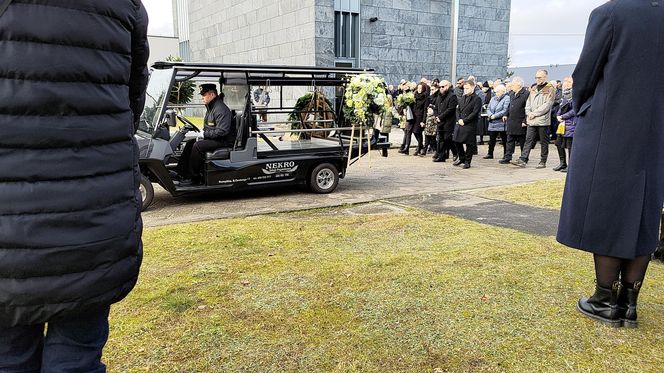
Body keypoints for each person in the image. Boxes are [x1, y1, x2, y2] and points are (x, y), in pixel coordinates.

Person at [0, 1, 149, 371]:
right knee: (77, 359)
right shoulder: (125, 5)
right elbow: (133, 97)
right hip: (93, 227)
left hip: (9, 235)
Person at [557, 0, 664, 328]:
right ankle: (629, 303)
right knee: (645, 209)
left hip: (611, 125)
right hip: (656, 130)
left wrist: (585, 108)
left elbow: (585, 74)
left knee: (606, 208)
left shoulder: (610, 13)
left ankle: (605, 300)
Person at [178, 84, 235, 185]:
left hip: (223, 141)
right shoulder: (211, 108)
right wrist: (201, 132)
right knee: (190, 143)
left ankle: (193, 178)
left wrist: (204, 134)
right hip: (215, 139)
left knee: (198, 146)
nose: (202, 98)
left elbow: (222, 131)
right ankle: (181, 173)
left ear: (212, 94)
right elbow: (209, 127)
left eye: (204, 95)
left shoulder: (221, 109)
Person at [511, 70, 556, 168]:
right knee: (528, 140)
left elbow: (548, 105)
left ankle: (543, 161)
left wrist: (535, 113)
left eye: (540, 77)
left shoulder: (549, 88)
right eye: (536, 77)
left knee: (543, 141)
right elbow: (528, 103)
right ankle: (523, 159)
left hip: (542, 120)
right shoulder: (534, 88)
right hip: (531, 119)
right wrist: (529, 113)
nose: (538, 79)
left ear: (545, 77)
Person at [500, 77, 530, 164]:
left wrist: (525, 121)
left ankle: (524, 157)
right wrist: (505, 114)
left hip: (520, 121)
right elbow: (509, 106)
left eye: (513, 84)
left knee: (522, 141)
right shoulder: (512, 94)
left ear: (518, 84)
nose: (511, 86)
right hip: (511, 121)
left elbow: (527, 108)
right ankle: (508, 156)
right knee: (509, 140)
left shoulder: (526, 94)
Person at [453, 81, 482, 169]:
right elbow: (457, 110)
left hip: (470, 124)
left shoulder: (477, 99)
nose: (465, 90)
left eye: (467, 88)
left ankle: (467, 161)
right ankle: (461, 157)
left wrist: (465, 120)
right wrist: (459, 119)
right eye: (464, 88)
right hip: (460, 122)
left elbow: (475, 112)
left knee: (469, 144)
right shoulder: (462, 98)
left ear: (473, 87)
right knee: (456, 140)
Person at [553, 77, 576, 172]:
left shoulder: (575, 94)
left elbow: (575, 110)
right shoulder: (564, 95)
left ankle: (571, 166)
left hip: (571, 124)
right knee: (558, 143)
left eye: (569, 82)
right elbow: (560, 108)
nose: (566, 83)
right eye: (565, 82)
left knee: (570, 146)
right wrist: (558, 116)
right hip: (562, 124)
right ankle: (562, 163)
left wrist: (563, 117)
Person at [433, 81, 458, 163]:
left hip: (448, 121)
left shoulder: (452, 96)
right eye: (440, 87)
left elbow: (451, 109)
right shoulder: (439, 96)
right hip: (440, 121)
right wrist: (437, 116)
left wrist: (440, 117)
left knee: (447, 138)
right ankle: (442, 156)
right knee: (441, 139)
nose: (441, 89)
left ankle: (455, 152)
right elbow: (436, 107)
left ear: (447, 86)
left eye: (443, 87)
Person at [484, 84, 510, 159]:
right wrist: (490, 115)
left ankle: (506, 154)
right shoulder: (493, 98)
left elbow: (505, 110)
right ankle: (490, 153)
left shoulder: (507, 98)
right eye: (496, 92)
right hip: (492, 122)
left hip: (501, 122)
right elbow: (488, 108)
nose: (496, 93)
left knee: (504, 139)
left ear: (503, 91)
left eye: (498, 92)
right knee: (491, 139)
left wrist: (495, 116)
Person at [407, 83, 429, 156]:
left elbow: (425, 109)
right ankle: (420, 146)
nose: (419, 90)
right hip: (413, 116)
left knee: (418, 132)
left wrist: (423, 121)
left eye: (420, 88)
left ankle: (419, 148)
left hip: (420, 117)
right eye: (418, 88)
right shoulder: (414, 96)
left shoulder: (425, 97)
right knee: (414, 132)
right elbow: (411, 105)